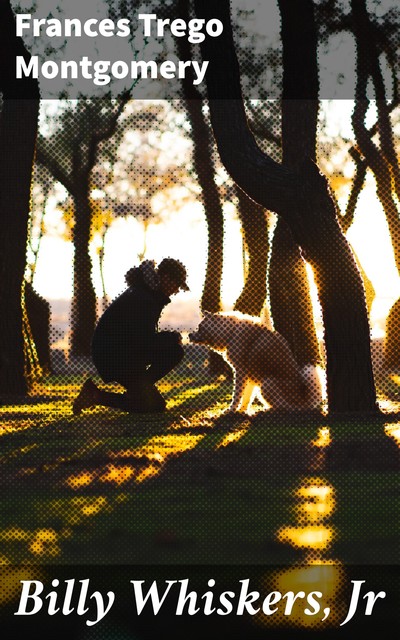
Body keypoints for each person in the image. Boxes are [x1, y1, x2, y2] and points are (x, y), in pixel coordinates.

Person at [73, 257, 189, 415]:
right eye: (177, 285)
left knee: (154, 405)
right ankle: (136, 390)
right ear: (166, 278)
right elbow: (143, 342)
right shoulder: (143, 298)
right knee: (174, 351)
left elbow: (141, 339)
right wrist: (171, 338)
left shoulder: (146, 294)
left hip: (121, 354)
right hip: (116, 357)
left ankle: (96, 395)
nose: (176, 291)